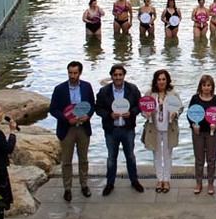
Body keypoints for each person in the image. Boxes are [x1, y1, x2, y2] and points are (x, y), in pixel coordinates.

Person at [95, 64, 144, 196]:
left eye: (120, 75)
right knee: (111, 157)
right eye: (115, 75)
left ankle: (134, 181)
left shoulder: (132, 89)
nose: (118, 77)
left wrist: (132, 112)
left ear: (124, 75)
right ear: (111, 76)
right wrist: (108, 115)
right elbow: (98, 108)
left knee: (130, 156)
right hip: (111, 129)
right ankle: (110, 183)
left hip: (127, 128)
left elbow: (140, 105)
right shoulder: (104, 91)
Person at [49, 61, 95, 202]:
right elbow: (53, 109)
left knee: (83, 159)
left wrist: (88, 115)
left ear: (80, 73)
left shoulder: (87, 87)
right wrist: (66, 119)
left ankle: (84, 185)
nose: (72, 76)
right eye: (70, 73)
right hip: (67, 128)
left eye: (75, 73)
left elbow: (92, 105)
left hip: (83, 127)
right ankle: (67, 188)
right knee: (66, 161)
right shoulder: (60, 89)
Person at [142, 69, 183, 193]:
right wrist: (146, 114)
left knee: (167, 155)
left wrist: (175, 113)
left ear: (167, 80)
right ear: (155, 81)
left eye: (163, 79)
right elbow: (143, 109)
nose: (161, 82)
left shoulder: (173, 94)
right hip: (154, 128)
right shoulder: (149, 94)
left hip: (169, 128)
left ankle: (167, 180)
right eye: (159, 79)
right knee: (157, 155)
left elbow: (180, 108)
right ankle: (159, 179)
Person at [187, 75, 216, 195]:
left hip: (212, 133)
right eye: (204, 85)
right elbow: (190, 114)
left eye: (209, 85)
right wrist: (193, 125)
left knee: (211, 159)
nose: (206, 88)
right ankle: (198, 182)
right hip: (198, 132)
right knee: (199, 159)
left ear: (212, 87)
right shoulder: (195, 98)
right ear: (200, 87)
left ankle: (211, 183)